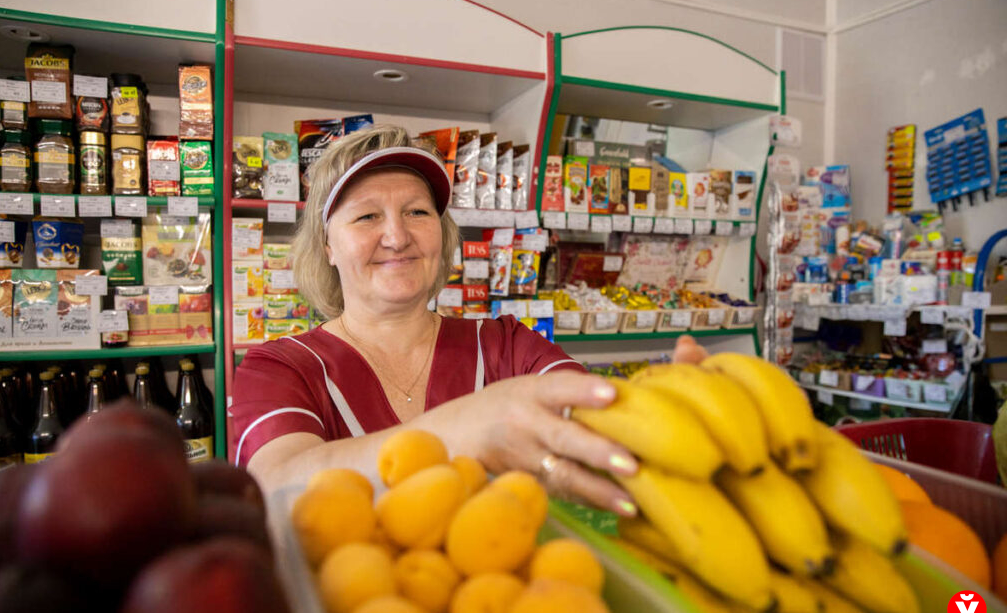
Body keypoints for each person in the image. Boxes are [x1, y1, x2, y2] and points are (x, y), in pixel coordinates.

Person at [231, 124, 708, 514]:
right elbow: (275, 486)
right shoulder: (280, 367)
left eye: (417, 211)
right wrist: (461, 431)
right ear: (328, 245)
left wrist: (674, 406)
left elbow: (591, 422)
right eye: (367, 217)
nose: (397, 237)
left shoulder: (505, 344)